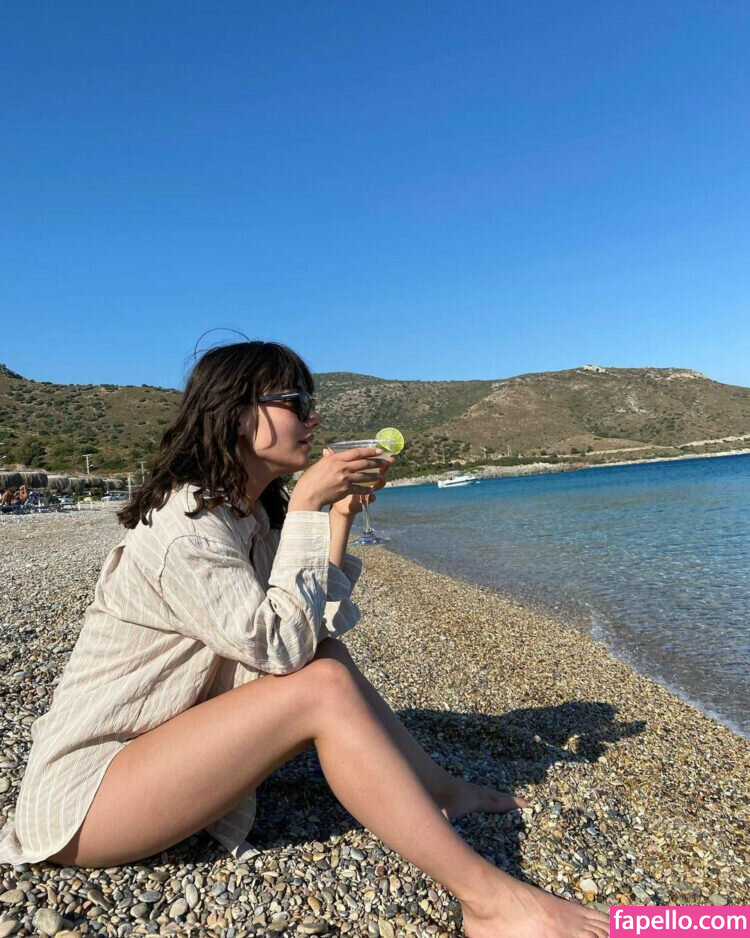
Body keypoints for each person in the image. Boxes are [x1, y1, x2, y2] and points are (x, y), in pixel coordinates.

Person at [0, 341, 608, 938]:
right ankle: (490, 902)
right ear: (238, 414)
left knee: (327, 659)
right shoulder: (187, 525)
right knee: (320, 687)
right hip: (86, 801)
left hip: (154, 762)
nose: (313, 418)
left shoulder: (247, 514)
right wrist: (310, 502)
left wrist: (336, 516)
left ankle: (443, 792)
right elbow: (279, 650)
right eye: (295, 401)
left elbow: (309, 628)